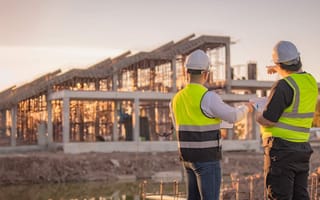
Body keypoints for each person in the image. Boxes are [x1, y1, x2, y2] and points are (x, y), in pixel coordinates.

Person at [170, 49, 253, 200]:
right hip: (207, 159)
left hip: (188, 159)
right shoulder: (209, 97)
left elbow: (183, 124)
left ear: (186, 72)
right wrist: (247, 107)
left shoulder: (176, 99)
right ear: (206, 73)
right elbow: (234, 116)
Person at [255, 41, 318, 199]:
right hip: (302, 149)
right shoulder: (311, 82)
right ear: (299, 59)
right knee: (300, 196)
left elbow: (269, 120)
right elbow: (297, 74)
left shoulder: (283, 86)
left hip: (281, 150)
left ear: (279, 64)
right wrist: (277, 68)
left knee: (279, 195)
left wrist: (257, 113)